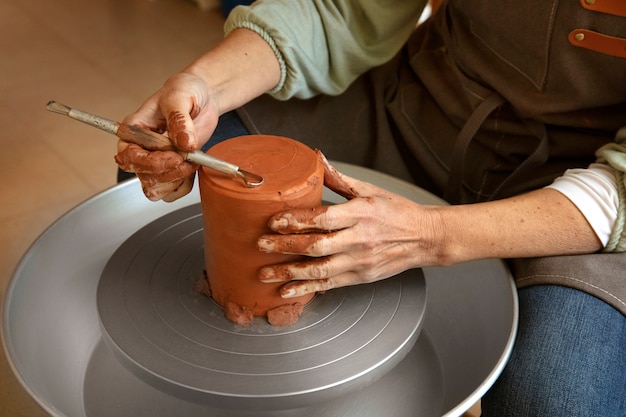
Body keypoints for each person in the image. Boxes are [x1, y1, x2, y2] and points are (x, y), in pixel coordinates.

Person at [115, 0, 626, 415]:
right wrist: (206, 83)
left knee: (555, 400)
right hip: (425, 104)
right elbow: (343, 10)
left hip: (589, 188)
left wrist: (434, 235)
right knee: (166, 152)